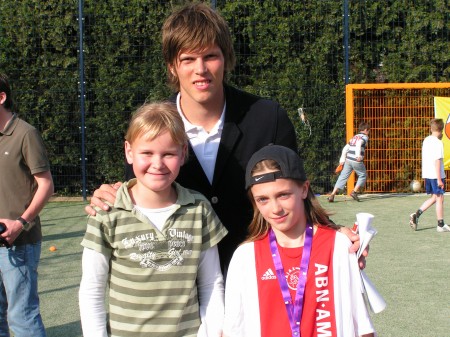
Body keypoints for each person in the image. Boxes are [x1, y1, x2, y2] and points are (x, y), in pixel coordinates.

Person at [85, 2, 364, 273]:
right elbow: (136, 193)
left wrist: (333, 235)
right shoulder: (151, 130)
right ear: (172, 66)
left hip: (261, 278)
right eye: (188, 59)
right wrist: (109, 195)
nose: (200, 69)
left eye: (210, 56)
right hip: (184, 294)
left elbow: (294, 194)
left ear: (226, 58)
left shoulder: (268, 118)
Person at [79, 101, 228, 337]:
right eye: (146, 153)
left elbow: (210, 282)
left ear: (183, 153)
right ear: (129, 151)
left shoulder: (199, 209)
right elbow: (92, 290)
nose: (157, 164)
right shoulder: (107, 213)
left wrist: (215, 329)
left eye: (168, 153)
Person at [223, 144, 376, 337]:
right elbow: (233, 329)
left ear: (304, 189)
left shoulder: (338, 246)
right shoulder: (245, 257)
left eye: (283, 195)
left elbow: (362, 326)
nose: (275, 208)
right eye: (263, 199)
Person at [0, 73, 54, 336]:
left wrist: (20, 223)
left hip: (19, 241)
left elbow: (46, 185)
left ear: (1, 98)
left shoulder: (25, 133)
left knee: (21, 315)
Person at [409, 118, 450, 232]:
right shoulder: (438, 143)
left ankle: (416, 215)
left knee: (434, 198)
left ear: (431, 128)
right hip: (436, 175)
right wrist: (439, 179)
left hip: (428, 174)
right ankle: (440, 224)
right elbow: (437, 161)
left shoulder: (426, 140)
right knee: (440, 197)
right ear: (441, 130)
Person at [328, 121, 371, 202]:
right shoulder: (364, 137)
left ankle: (332, 194)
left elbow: (345, 148)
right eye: (369, 130)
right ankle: (354, 192)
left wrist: (342, 160)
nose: (369, 132)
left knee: (343, 177)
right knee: (363, 175)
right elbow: (359, 143)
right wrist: (358, 155)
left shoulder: (354, 137)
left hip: (348, 159)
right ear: (365, 130)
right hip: (356, 160)